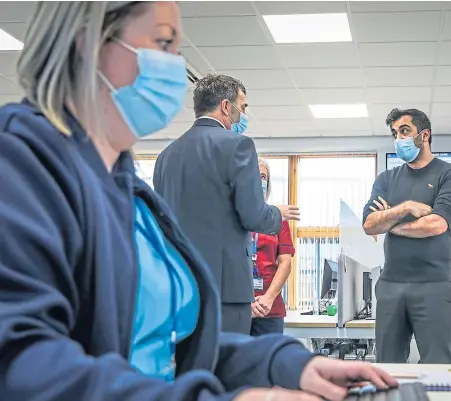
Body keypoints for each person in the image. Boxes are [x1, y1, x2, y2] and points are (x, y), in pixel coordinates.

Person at [0, 3, 398, 401]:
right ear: (86, 44)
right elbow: (20, 364)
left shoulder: (127, 189)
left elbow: (170, 348)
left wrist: (287, 364)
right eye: (163, 43)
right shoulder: (17, 164)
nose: (176, 66)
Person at [153, 74, 299, 335]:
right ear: (225, 106)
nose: (242, 114)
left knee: (190, 368)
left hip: (180, 286)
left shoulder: (166, 156)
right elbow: (254, 216)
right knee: (229, 367)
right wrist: (277, 213)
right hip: (226, 290)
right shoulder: (238, 145)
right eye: (242, 108)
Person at [362, 108, 451, 364]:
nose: (399, 139)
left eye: (405, 131)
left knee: (437, 365)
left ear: (425, 135)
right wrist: (406, 208)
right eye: (395, 133)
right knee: (387, 366)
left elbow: (436, 224)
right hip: (390, 285)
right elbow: (369, 224)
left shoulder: (449, 174)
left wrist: (390, 224)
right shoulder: (386, 179)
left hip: (434, 286)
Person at [250, 159, 294, 335]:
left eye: (263, 177)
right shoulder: (233, 218)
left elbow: (286, 263)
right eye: (255, 176)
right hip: (238, 308)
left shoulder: (277, 219)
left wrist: (268, 299)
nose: (260, 180)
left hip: (270, 308)